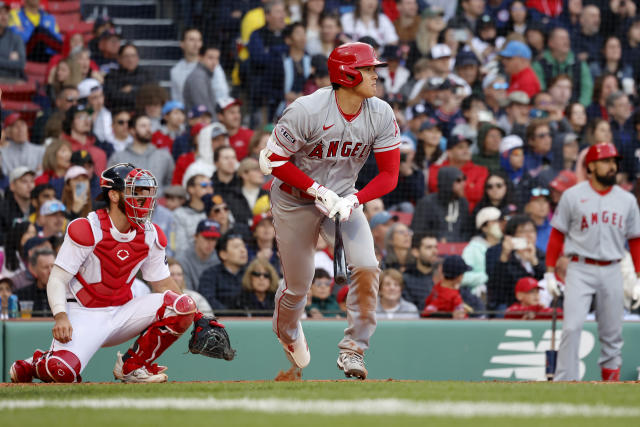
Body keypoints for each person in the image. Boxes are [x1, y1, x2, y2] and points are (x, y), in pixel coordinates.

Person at [260, 42, 400, 379]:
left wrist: (355, 199)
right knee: (298, 286)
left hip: (343, 199)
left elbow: (389, 175)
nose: (375, 74)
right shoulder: (307, 109)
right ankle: (288, 332)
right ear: (346, 73)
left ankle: (354, 351)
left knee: (367, 266)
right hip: (295, 200)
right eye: (368, 69)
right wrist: (317, 190)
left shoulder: (380, 112)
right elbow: (271, 160)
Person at [9, 163, 201, 383]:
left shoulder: (151, 234)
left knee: (182, 305)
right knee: (61, 372)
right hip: (83, 312)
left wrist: (197, 316)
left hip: (123, 312)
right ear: (114, 195)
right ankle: (35, 362)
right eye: (134, 191)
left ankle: (133, 367)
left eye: (145, 192)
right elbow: (57, 278)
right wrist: (60, 315)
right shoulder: (86, 227)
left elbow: (164, 284)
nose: (143, 198)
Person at [545, 142, 640, 382]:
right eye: (606, 161)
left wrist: (639, 276)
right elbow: (556, 236)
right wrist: (549, 272)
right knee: (572, 327)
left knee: (612, 333)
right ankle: (565, 381)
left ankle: (610, 383)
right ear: (591, 166)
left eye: (614, 162)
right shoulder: (572, 195)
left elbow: (636, 241)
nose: (612, 167)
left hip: (613, 269)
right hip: (580, 268)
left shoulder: (627, 200)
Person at [485, 214, 546, 315]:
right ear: (511, 237)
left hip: (537, 302)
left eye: (531, 231)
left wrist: (534, 262)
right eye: (523, 232)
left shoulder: (540, 255)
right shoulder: (495, 252)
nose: (529, 235)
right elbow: (496, 285)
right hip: (507, 302)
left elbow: (546, 281)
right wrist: (504, 256)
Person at [108, 114, 175, 193]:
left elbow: (171, 183)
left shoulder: (164, 156)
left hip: (157, 204)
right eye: (143, 126)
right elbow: (110, 185)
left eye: (150, 126)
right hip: (128, 204)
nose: (148, 129)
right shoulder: (118, 158)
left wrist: (159, 196)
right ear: (132, 130)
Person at [412, 166, 472, 242]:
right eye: (458, 180)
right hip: (433, 248)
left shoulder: (463, 203)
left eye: (464, 179)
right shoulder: (427, 203)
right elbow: (418, 231)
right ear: (447, 182)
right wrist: (438, 239)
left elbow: (467, 232)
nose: (463, 183)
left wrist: (455, 241)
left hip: (459, 249)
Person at [198, 232, 249, 311]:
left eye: (244, 246)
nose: (243, 250)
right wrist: (231, 315)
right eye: (236, 247)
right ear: (223, 254)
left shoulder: (251, 273)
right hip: (221, 320)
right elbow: (207, 300)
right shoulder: (209, 275)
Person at [462, 206, 502, 296]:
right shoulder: (473, 248)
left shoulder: (507, 245)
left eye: (500, 221)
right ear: (484, 228)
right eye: (494, 221)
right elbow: (463, 277)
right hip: (480, 296)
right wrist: (489, 277)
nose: (499, 224)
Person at [103, 43, 155, 111]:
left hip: (142, 113)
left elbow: (152, 95)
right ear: (119, 59)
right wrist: (139, 93)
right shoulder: (112, 76)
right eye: (126, 56)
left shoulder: (147, 75)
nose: (130, 60)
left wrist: (133, 89)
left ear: (138, 58)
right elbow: (112, 97)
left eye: (133, 56)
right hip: (118, 112)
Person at [176, 219, 220, 291]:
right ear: (195, 236)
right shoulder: (183, 259)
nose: (210, 243)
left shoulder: (218, 259)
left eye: (213, 239)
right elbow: (186, 291)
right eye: (206, 238)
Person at [402, 232, 438, 310]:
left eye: (436, 247)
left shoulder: (443, 276)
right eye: (429, 247)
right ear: (416, 252)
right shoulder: (406, 279)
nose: (434, 251)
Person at [14, 248, 55, 317]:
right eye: (45, 267)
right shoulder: (21, 295)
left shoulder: (66, 294)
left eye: (53, 266)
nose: (50, 271)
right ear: (34, 270)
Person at [0, 167, 35, 243]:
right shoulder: (2, 209)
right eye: (24, 181)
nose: (30, 186)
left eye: (32, 181)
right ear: (12, 186)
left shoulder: (38, 207)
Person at [183, 46, 221, 115]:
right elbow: (204, 110)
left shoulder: (204, 75)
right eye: (210, 58)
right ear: (200, 57)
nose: (214, 62)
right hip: (201, 124)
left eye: (217, 58)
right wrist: (216, 125)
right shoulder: (198, 77)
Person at [170, 28, 203, 104]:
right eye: (191, 40)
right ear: (182, 44)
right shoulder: (175, 71)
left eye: (199, 40)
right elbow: (176, 98)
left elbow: (221, 93)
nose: (196, 44)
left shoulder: (212, 66)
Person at [0, 1, 25, 81]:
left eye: (6, 13)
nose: (4, 17)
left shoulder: (16, 38)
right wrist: (8, 59)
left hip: (11, 80)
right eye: (0, 13)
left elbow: (21, 64)